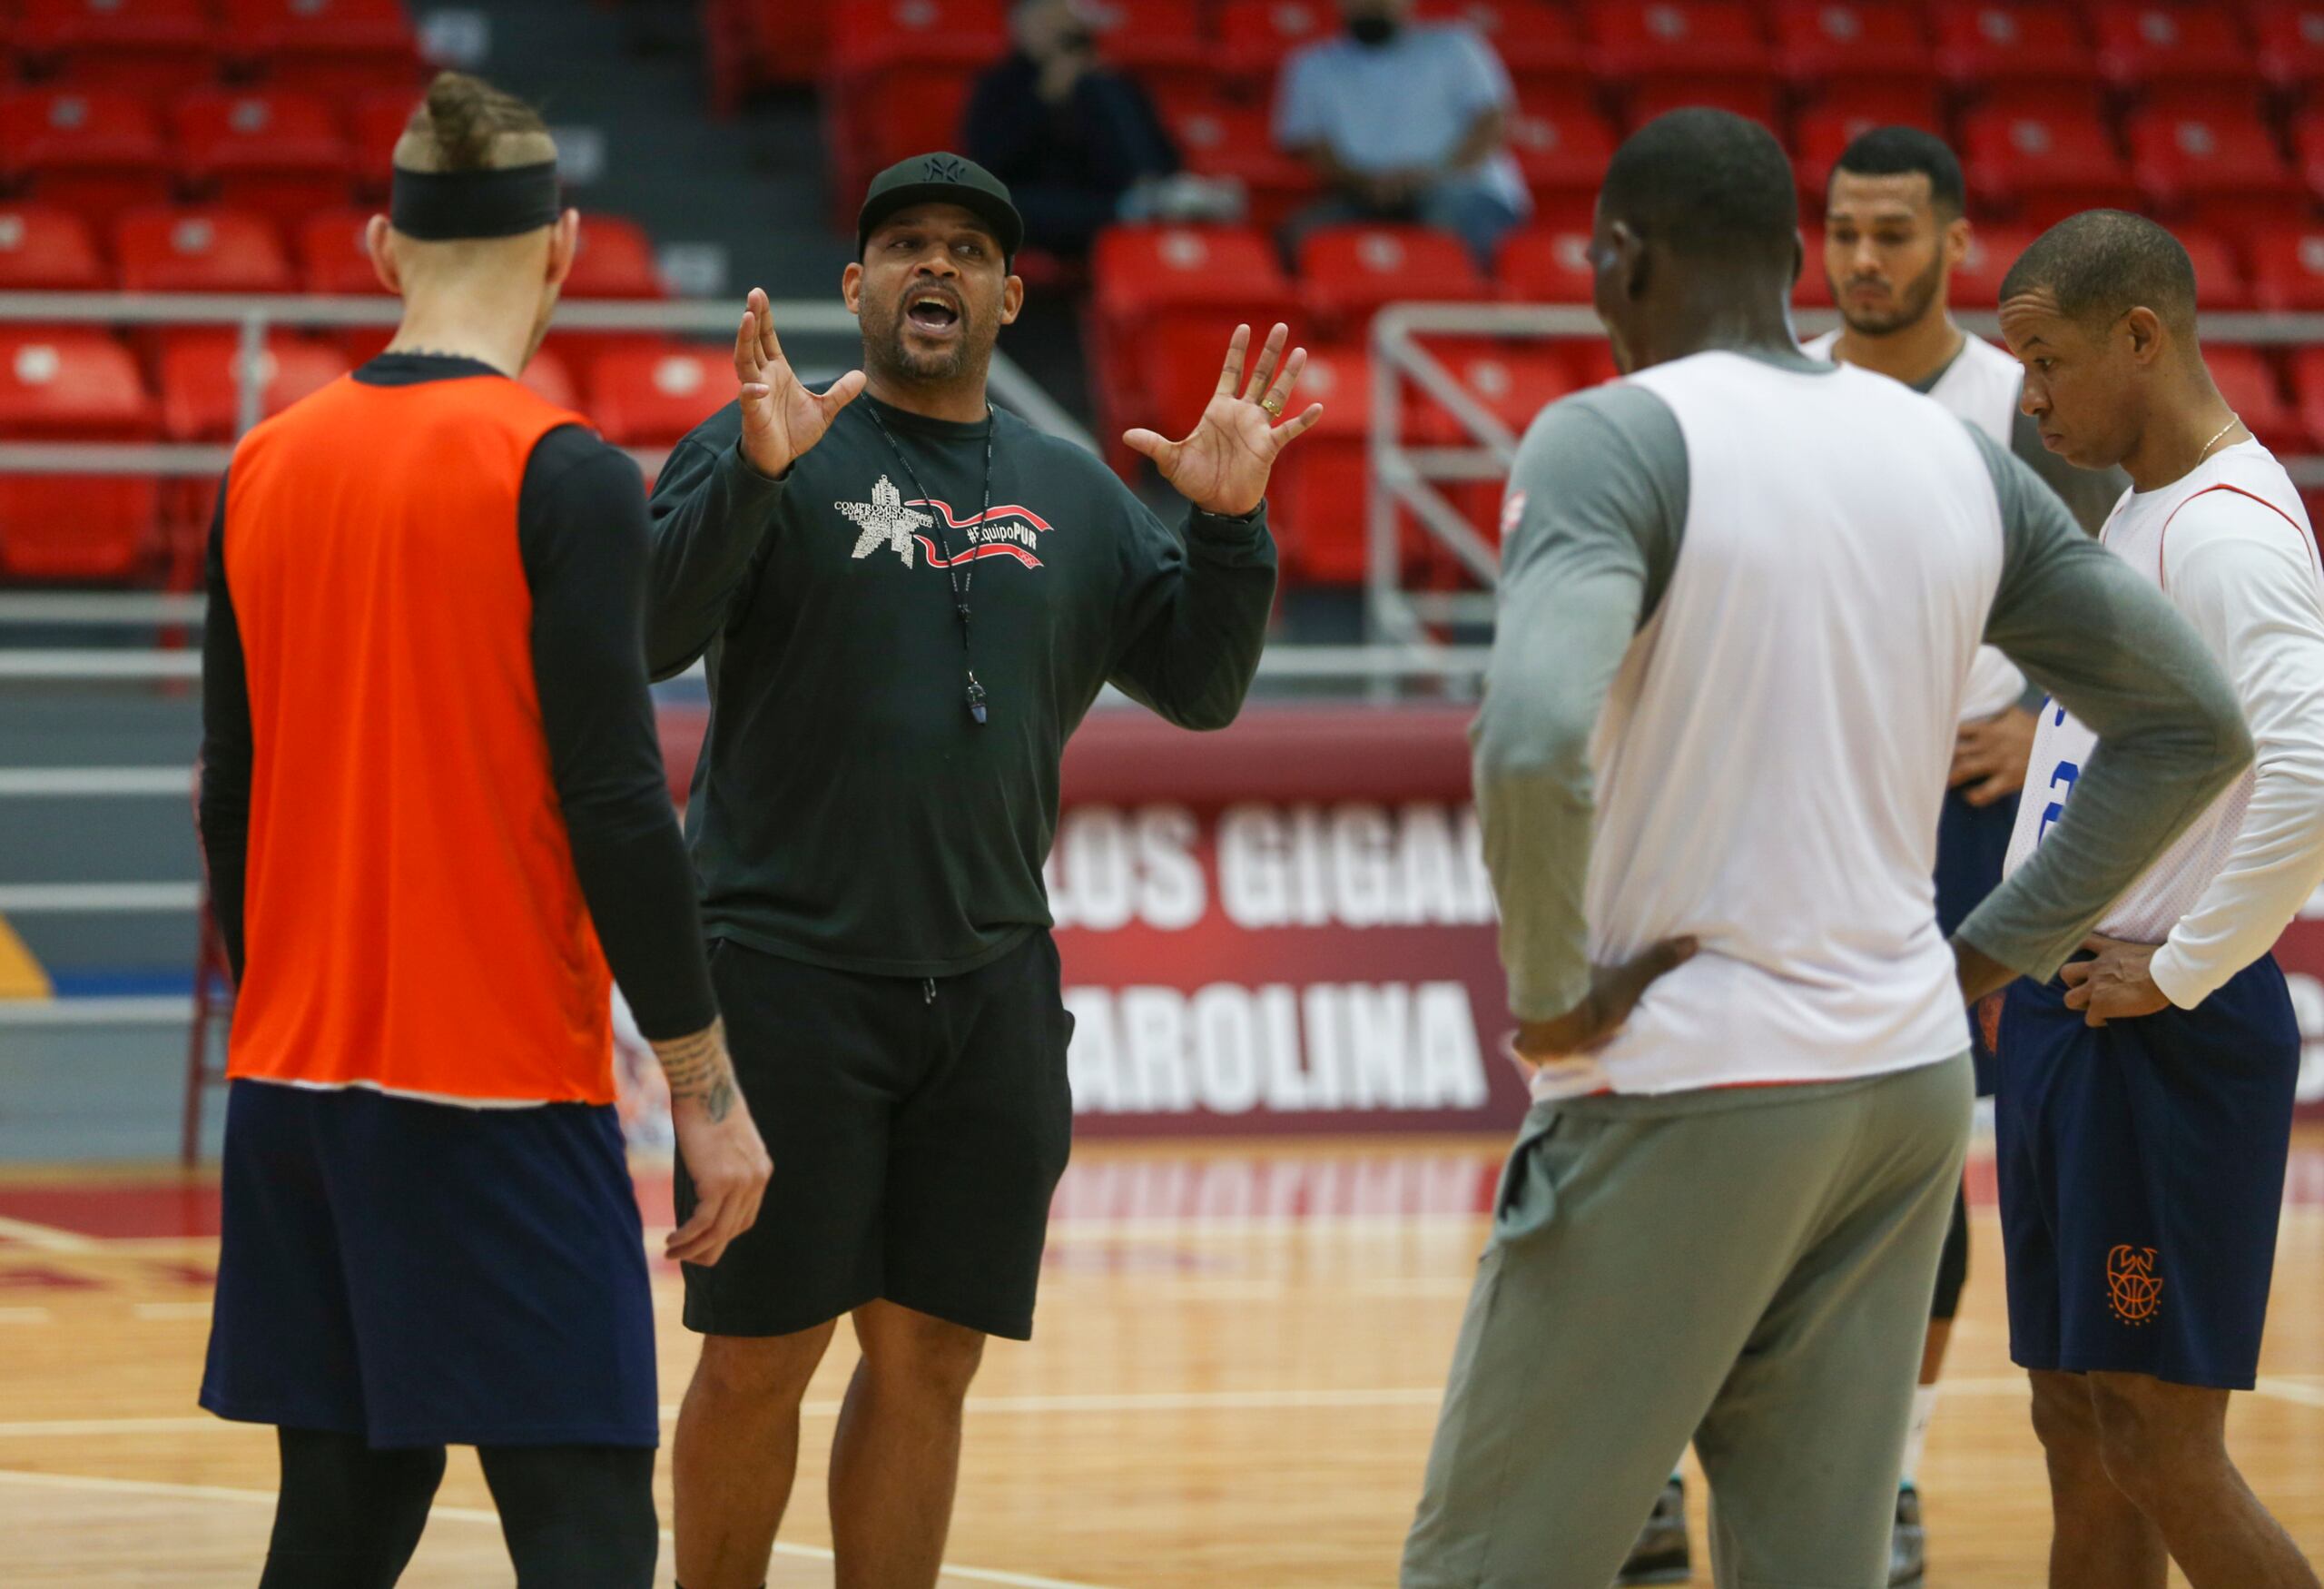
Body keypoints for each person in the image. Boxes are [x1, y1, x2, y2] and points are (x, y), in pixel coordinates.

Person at [1399, 108, 2251, 1589]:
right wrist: (1991, 957)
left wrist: (1549, 997)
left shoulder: (1611, 434)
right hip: (1902, 1087)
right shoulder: (1946, 452)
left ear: (1620, 260)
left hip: (1692, 1075)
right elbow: (2191, 724)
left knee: (1488, 1567)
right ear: (1804, 261)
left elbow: (1530, 738)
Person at [644, 151, 1320, 1589]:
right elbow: (645, 632)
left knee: (931, 1351)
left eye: (965, 250)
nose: (933, 267)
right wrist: (751, 488)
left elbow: (1200, 687)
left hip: (993, 986)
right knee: (760, 1353)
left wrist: (1229, 527)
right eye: (903, 246)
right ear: (857, 286)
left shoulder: (1072, 492)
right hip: (784, 976)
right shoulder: (773, 435)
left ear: (1013, 296)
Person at [194, 72, 771, 1589]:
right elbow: (614, 800)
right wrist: (704, 1085)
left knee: (343, 1513)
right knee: (583, 1520)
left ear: (385, 249)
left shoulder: (261, 465)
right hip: (496, 1088)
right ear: (565, 249)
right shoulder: (560, 471)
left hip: (294, 1086)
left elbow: (228, 801)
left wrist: (284, 1012)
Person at [1618, 123, 2130, 1589]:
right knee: (1722, 1121)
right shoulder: (1786, 396)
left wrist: (2047, 719)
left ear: (1956, 240)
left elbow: (2111, 602)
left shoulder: (2013, 406)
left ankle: (1888, 1471)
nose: (1863, 258)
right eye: (1843, 230)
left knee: (1925, 1156)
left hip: (1964, 808)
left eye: (1894, 232)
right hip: (1806, 792)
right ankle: (1659, 1450)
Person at [1994, 210, 2324, 1589]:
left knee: (2156, 1436)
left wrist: (2180, 969)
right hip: (2077, 1014)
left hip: (2160, 1029)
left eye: (2049, 357)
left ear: (2143, 337)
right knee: (2077, 1421)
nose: (2032, 393)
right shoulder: (2143, 510)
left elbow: (2311, 765)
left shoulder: (2230, 534)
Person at [1274, 0, 1530, 269]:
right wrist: (1369, 184)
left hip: (1462, 189)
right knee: (1302, 234)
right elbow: (1312, 147)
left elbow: (1491, 124)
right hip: (1364, 196)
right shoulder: (1312, 64)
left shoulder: (1456, 45)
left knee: (1447, 218)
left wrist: (1432, 176)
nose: (1371, 6)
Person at [960, 0, 1196, 259]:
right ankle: (1135, 210)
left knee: (1138, 197)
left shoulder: (1106, 82)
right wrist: (1044, 98)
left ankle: (1150, 201)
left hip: (1107, 191)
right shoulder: (999, 84)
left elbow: (1164, 153)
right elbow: (989, 161)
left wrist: (1099, 90)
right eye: (1043, 22)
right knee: (1008, 208)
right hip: (1041, 197)